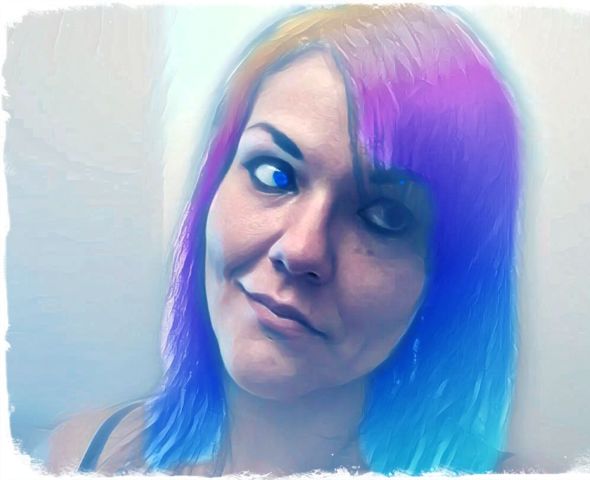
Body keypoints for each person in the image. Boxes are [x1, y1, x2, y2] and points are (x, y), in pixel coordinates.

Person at [48, 4, 520, 476]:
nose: (300, 250)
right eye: (274, 173)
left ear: (446, 279)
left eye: (385, 216)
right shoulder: (82, 452)